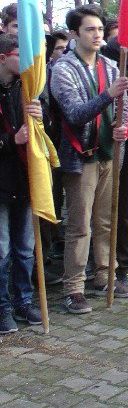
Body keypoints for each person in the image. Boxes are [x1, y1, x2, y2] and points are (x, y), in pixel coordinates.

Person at [50, 5, 128, 313]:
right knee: (80, 225)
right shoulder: (63, 69)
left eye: (100, 30)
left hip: (110, 153)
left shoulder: (111, 66)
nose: (97, 35)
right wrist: (108, 95)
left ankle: (104, 276)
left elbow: (125, 106)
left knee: (105, 221)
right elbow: (75, 114)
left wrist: (123, 126)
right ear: (74, 34)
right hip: (80, 156)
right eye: (90, 30)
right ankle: (74, 287)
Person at [0, 34, 44, 331]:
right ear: (3, 57)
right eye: (19, 54)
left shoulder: (27, 88)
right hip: (1, 184)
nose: (26, 61)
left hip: (24, 179)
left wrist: (42, 118)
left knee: (25, 248)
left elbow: (44, 133)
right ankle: (3, 307)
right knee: (1, 250)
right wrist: (8, 140)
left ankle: (24, 301)